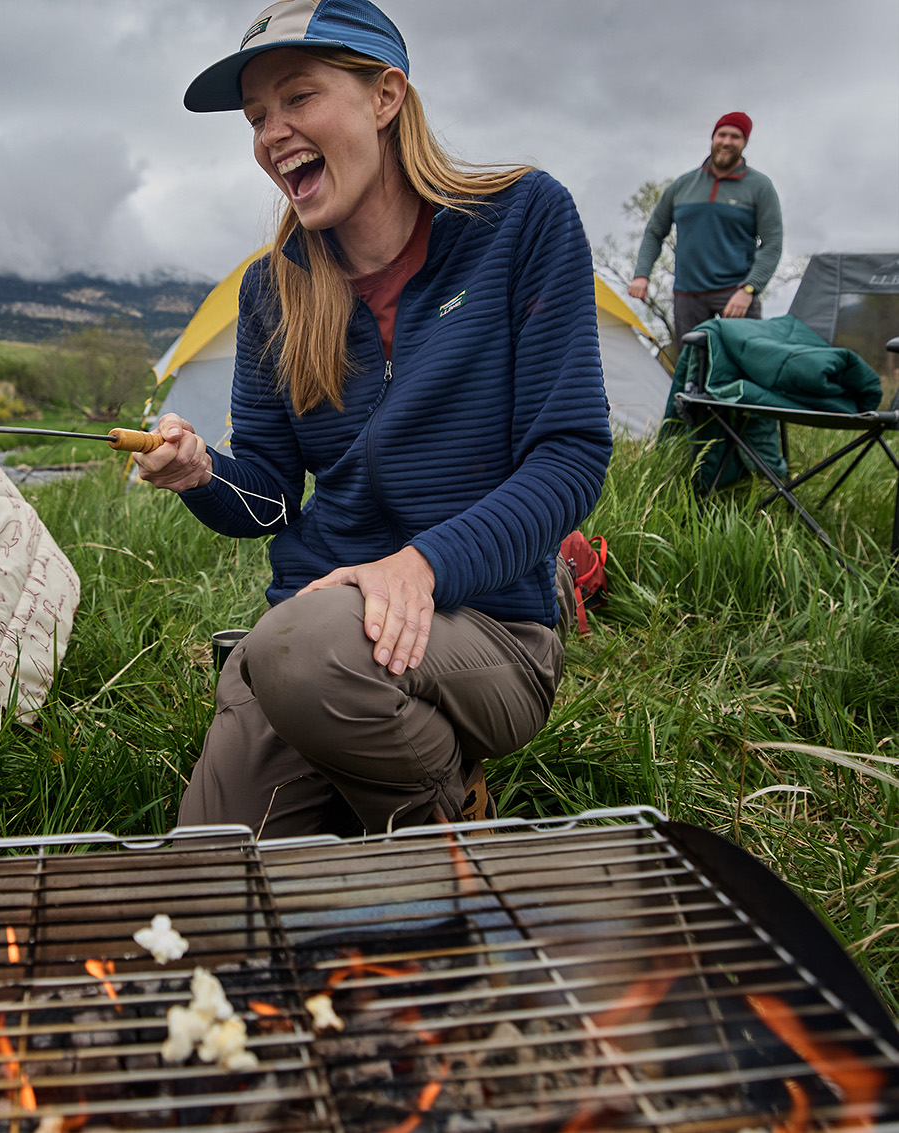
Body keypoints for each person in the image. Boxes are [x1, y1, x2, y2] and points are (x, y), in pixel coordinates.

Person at [137, 0, 612, 836]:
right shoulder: (271, 290)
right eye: (256, 117)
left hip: (489, 625)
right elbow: (272, 495)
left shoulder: (521, 221)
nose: (272, 133)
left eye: (298, 97)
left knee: (300, 649)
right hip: (315, 629)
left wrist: (420, 566)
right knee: (212, 864)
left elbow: (569, 456)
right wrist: (203, 472)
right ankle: (360, 748)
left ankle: (442, 817)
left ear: (385, 96)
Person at [630, 112, 783, 348]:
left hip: (736, 293)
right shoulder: (682, 186)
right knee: (691, 365)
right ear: (713, 138)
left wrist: (750, 289)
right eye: (722, 135)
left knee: (747, 362)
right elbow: (654, 231)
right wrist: (642, 274)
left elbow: (772, 242)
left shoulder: (760, 186)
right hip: (688, 295)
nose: (727, 142)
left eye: (735, 137)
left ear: (744, 143)